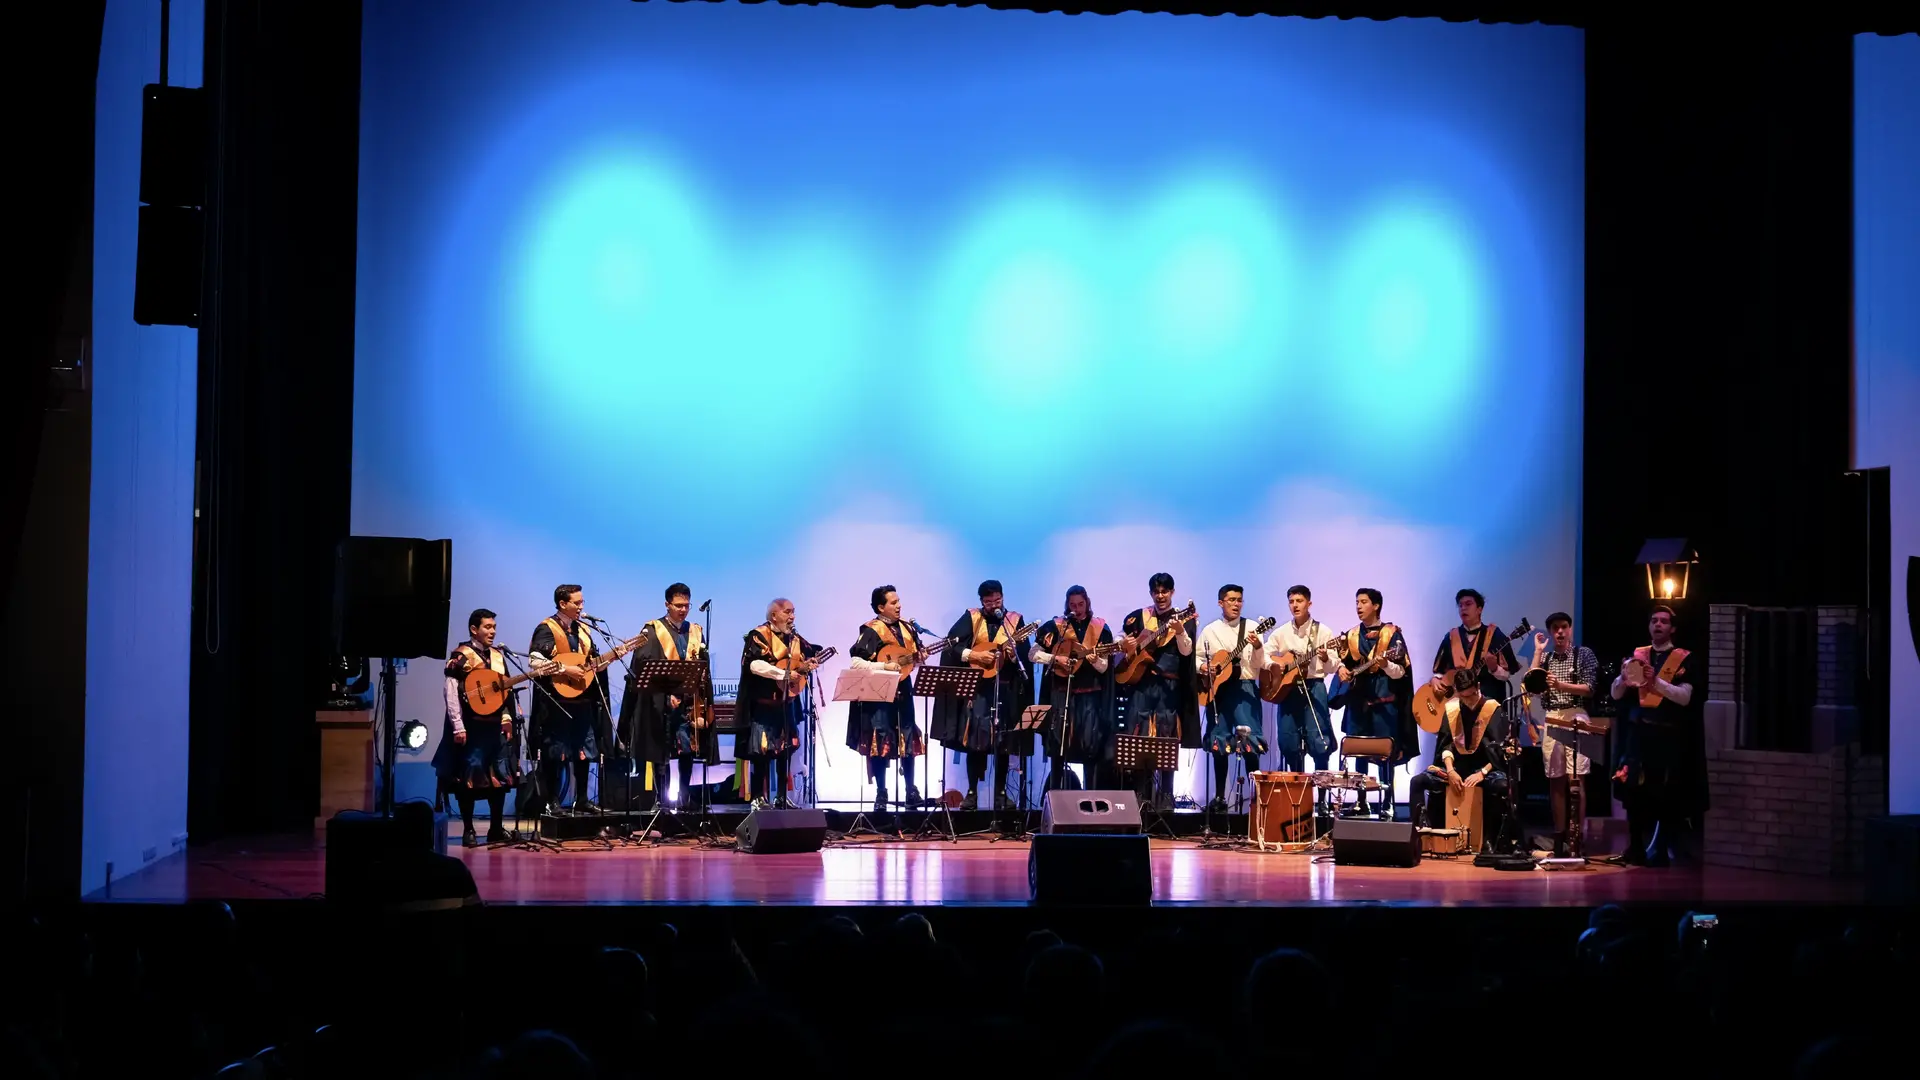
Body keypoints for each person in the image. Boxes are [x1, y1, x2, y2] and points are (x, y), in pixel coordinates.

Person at [437, 608, 551, 846]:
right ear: (473, 629)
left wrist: (507, 716)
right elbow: (451, 693)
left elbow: (505, 692)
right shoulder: (461, 656)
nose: (492, 631)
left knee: (499, 778)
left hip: (496, 727)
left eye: (494, 627)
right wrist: (458, 726)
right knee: (468, 778)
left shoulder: (499, 656)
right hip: (471, 727)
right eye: (487, 627)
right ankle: (468, 829)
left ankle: (496, 828)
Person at [1610, 605, 1705, 866]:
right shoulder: (1638, 656)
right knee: (1632, 792)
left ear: (1672, 628)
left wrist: (1656, 683)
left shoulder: (1683, 658)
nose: (1658, 625)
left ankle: (1662, 848)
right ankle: (1635, 847)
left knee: (1664, 795)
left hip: (1667, 739)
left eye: (1664, 621)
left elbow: (1685, 697)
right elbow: (1616, 694)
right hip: (1637, 737)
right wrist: (1622, 677)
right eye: (1654, 621)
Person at [932, 580, 1035, 811]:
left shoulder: (1014, 621)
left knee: (1003, 742)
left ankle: (1000, 793)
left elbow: (1024, 655)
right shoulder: (972, 617)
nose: (993, 605)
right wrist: (973, 656)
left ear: (1003, 597)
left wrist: (1011, 652)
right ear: (981, 602)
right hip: (977, 690)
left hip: (1005, 688)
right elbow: (951, 645)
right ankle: (972, 793)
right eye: (988, 602)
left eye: (997, 600)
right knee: (975, 742)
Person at [530, 584, 625, 814]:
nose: (582, 607)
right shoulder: (547, 628)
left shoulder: (583, 630)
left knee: (584, 751)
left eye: (582, 602)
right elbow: (534, 662)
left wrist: (611, 657)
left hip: (582, 701)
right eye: (577, 603)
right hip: (557, 704)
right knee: (556, 752)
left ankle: (582, 798)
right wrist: (564, 669)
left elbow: (590, 666)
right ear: (563, 604)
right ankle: (552, 801)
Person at [625, 583, 716, 810]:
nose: (683, 610)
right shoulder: (652, 631)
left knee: (687, 749)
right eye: (678, 605)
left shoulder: (694, 631)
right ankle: (661, 799)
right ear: (667, 604)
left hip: (688, 702)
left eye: (687, 605)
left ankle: (685, 797)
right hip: (661, 704)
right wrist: (665, 696)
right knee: (661, 752)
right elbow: (643, 667)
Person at [1117, 573, 1200, 809]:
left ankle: (1165, 800)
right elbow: (1121, 636)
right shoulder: (1139, 616)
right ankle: (1138, 800)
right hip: (1142, 686)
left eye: (1164, 591)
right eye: (1156, 591)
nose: (1160, 596)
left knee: (1166, 739)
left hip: (1168, 687)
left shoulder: (1184, 618)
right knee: (1138, 739)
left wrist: (1181, 632)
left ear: (1172, 593)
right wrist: (1125, 643)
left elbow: (1186, 652)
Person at [1331, 587, 1413, 817]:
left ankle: (1387, 801)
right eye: (1357, 601)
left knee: (1386, 753)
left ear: (1376, 605)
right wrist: (1341, 670)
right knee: (1359, 753)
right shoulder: (1351, 635)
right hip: (1358, 703)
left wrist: (1385, 664)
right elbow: (1342, 663)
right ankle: (1361, 800)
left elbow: (1400, 672)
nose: (1358, 606)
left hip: (1384, 704)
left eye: (1364, 601)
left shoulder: (1392, 634)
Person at [738, 597, 825, 809]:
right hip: (764, 704)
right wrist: (783, 673)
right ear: (774, 615)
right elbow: (755, 664)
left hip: (787, 703)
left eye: (793, 611)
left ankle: (780, 797)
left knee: (785, 750)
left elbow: (809, 653)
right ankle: (759, 796)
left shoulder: (794, 638)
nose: (792, 616)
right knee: (762, 751)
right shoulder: (758, 635)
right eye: (787, 612)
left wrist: (810, 663)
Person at [1407, 672, 1510, 849]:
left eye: (1471, 695)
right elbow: (1446, 746)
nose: (1468, 701)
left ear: (1478, 687)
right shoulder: (1453, 708)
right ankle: (1422, 835)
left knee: (1501, 785)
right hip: (1457, 769)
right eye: (1463, 697)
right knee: (1418, 781)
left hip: (1486, 769)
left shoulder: (1493, 709)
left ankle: (1490, 841)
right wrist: (1451, 771)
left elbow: (1500, 749)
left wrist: (1482, 773)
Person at [848, 585, 927, 810]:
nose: (899, 605)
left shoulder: (908, 628)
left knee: (908, 735)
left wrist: (919, 658)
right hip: (880, 694)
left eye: (899, 601)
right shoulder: (872, 630)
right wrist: (884, 665)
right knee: (880, 739)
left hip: (904, 691)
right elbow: (856, 661)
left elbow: (911, 660)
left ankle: (910, 790)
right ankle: (881, 793)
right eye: (893, 602)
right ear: (881, 607)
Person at [1526, 611, 1598, 857]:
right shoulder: (1545, 659)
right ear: (1549, 631)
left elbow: (1590, 688)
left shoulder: (1583, 654)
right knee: (1555, 779)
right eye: (1555, 627)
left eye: (1564, 627)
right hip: (1552, 717)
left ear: (1570, 629)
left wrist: (1561, 685)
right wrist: (1537, 652)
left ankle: (1577, 836)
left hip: (1576, 715)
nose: (1560, 631)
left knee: (1575, 779)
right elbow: (1531, 686)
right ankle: (1559, 837)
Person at [1031, 585, 1116, 789]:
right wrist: (1055, 658)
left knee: (1090, 746)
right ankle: (1056, 793)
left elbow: (1104, 668)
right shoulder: (1057, 626)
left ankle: (1090, 795)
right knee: (1058, 745)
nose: (1077, 609)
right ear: (1067, 605)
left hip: (1090, 697)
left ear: (1087, 603)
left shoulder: (1100, 628)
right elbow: (1032, 653)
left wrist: (1095, 660)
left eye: (1081, 604)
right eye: (1072, 605)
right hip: (1061, 694)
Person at [1195, 585, 1268, 813]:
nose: (1236, 604)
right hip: (1219, 692)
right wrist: (1205, 666)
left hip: (1244, 688)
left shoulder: (1253, 628)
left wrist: (1256, 646)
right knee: (1219, 742)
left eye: (1239, 600)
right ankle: (1219, 797)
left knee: (1250, 744)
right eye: (1231, 600)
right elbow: (1197, 660)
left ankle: (1256, 799)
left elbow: (1259, 663)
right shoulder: (1210, 630)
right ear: (1221, 603)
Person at [1263, 585, 1340, 773]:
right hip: (1288, 690)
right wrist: (1275, 665)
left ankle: (1322, 798)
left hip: (1314, 688)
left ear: (1309, 603)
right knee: (1288, 741)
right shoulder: (1281, 632)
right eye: (1291, 601)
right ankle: (1296, 793)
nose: (1295, 605)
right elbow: (1263, 655)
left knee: (1319, 740)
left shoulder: (1323, 632)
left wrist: (1324, 657)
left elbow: (1333, 665)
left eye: (1300, 601)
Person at [1428, 588, 1520, 708]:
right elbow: (1440, 672)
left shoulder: (1494, 634)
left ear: (1479, 609)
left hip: (1487, 703)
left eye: (1468, 604)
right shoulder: (1451, 636)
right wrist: (1435, 680)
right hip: (1456, 705)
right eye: (1460, 605)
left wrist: (1494, 668)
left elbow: (1506, 676)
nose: (1463, 608)